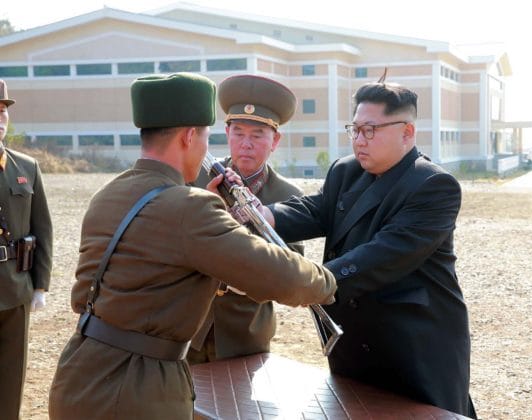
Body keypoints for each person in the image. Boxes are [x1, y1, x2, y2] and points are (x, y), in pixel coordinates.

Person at [48, 72, 336, 419]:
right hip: (139, 388)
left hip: (79, 371)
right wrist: (331, 279)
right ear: (188, 137)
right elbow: (287, 279)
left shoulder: (109, 193)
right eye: (206, 137)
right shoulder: (192, 207)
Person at [262, 79, 477, 417]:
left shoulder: (433, 185)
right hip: (352, 340)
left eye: (371, 130)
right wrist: (265, 215)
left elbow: (384, 255)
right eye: (355, 129)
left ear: (407, 132)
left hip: (414, 345)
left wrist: (308, 280)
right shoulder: (346, 171)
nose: (360, 140)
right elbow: (318, 210)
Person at [187, 74, 305, 363]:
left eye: (257, 135)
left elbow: (291, 269)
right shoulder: (195, 177)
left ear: (275, 140)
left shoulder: (288, 196)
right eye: (238, 133)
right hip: (189, 324)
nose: (246, 144)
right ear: (226, 134)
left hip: (246, 333)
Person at [0, 79, 53, 420]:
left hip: (15, 287)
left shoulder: (25, 167)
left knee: (10, 378)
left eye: (3, 111)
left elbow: (42, 228)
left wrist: (41, 285)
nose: (0, 118)